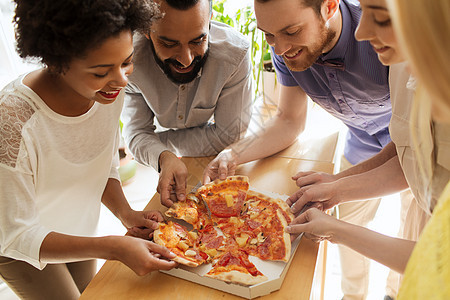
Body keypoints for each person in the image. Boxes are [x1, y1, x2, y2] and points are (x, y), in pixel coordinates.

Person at [203, 0, 394, 298]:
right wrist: (233, 154)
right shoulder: (286, 49)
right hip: (361, 144)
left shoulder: (382, 35)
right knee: (348, 227)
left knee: (416, 227)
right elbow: (289, 120)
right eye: (268, 35)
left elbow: (410, 148)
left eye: (291, 31)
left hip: (418, 147)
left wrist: (341, 183)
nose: (279, 49)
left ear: (329, 6)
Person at [0, 1, 177, 299]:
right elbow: (18, 233)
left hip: (77, 228)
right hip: (22, 246)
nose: (122, 80)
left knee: (91, 293)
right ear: (57, 62)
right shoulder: (13, 123)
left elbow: (99, 162)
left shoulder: (107, 92)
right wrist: (113, 246)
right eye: (100, 71)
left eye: (126, 62)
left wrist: (126, 213)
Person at [285, 0, 450, 297]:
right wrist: (337, 186)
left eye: (382, 19)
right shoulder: (402, 62)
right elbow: (407, 148)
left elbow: (438, 261)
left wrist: (338, 230)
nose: (361, 32)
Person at [121, 0, 253, 208]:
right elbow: (135, 135)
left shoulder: (235, 55)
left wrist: (157, 147)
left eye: (198, 41)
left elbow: (230, 135)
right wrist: (164, 157)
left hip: (215, 162)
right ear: (146, 31)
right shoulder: (128, 60)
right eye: (169, 44)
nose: (186, 59)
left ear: (209, 21)